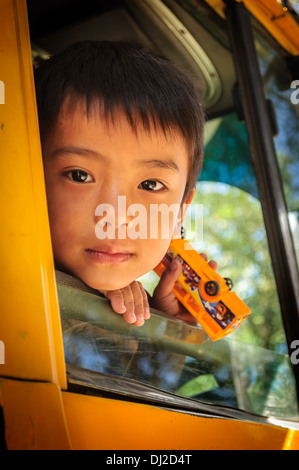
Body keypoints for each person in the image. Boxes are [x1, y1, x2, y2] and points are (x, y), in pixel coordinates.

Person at [35, 40, 217, 327]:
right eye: (80, 176)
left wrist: (164, 326)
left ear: (181, 211)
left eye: (150, 184)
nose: (115, 216)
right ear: (26, 175)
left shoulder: (140, 309)